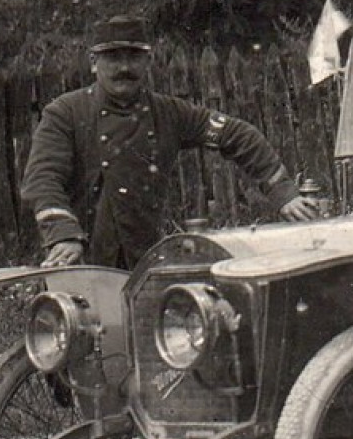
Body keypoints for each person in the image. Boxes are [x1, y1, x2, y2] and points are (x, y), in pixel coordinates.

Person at [21, 16, 318, 270]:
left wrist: (283, 192)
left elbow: (238, 135)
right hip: (79, 259)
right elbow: (42, 179)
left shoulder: (171, 113)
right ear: (94, 63)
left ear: (148, 61)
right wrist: (63, 235)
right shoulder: (65, 113)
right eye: (113, 58)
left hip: (147, 260)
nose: (124, 67)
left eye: (134, 57)